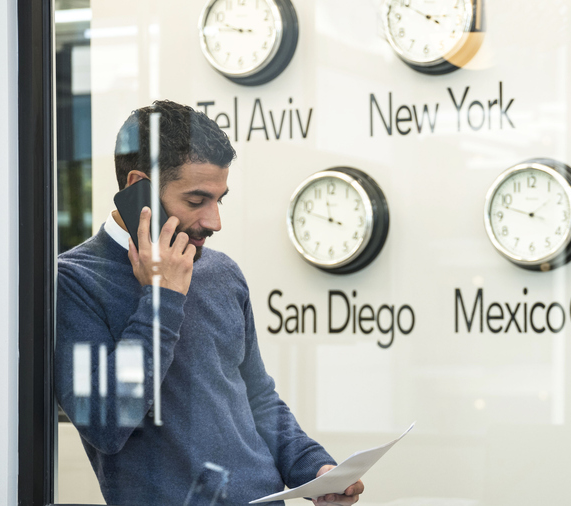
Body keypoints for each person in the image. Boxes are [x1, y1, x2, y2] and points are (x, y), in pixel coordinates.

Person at [55, 100, 363, 506]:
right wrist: (162, 296)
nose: (215, 221)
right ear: (137, 189)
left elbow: (256, 397)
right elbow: (109, 423)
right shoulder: (70, 283)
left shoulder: (221, 272)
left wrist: (313, 467)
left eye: (220, 199)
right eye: (197, 200)